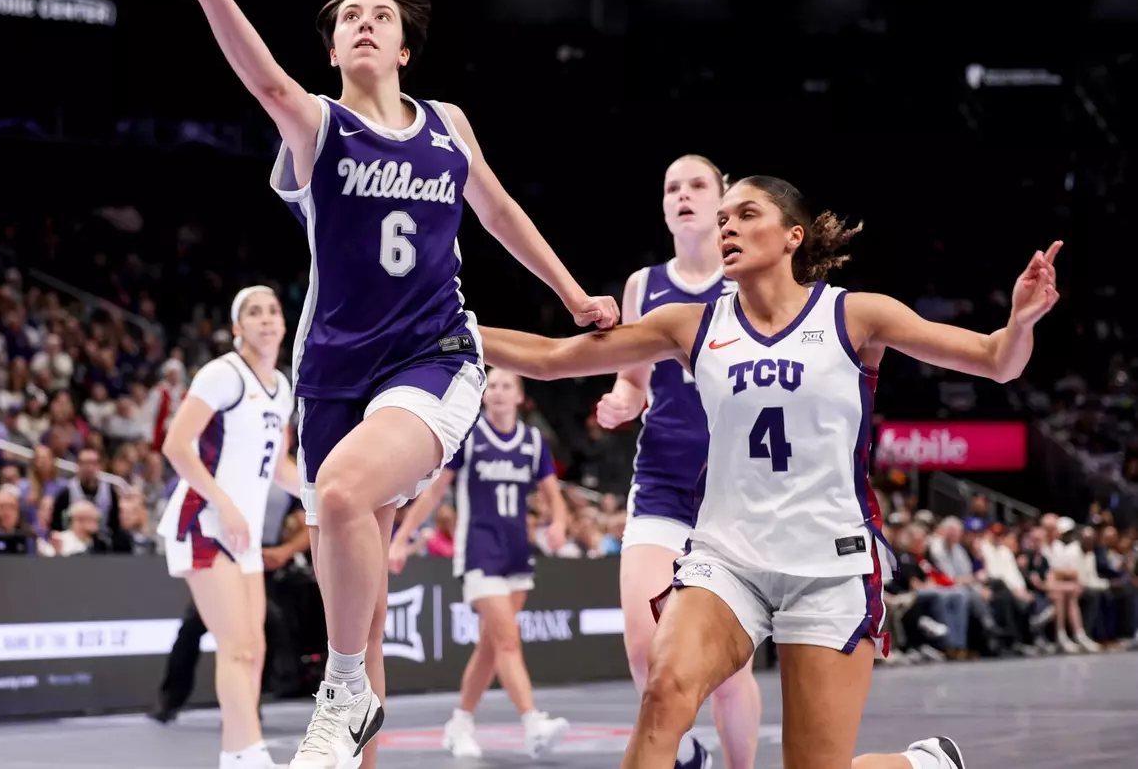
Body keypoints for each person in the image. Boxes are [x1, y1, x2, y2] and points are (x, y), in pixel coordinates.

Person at [134, 0, 616, 769]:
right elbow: (269, 83)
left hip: (430, 353)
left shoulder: (448, 125)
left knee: (348, 498)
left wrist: (574, 292)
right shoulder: (319, 126)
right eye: (349, 16)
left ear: (403, 49)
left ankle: (340, 687)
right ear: (333, 50)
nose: (364, 23)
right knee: (362, 583)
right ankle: (355, 711)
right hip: (333, 377)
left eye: (380, 17)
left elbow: (499, 212)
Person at [479, 175, 1060, 769]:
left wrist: (1020, 325)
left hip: (828, 564)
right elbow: (551, 359)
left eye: (745, 213)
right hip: (726, 558)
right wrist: (451, 330)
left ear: (791, 237)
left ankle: (924, 763)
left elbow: (996, 362)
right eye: (722, 217)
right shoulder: (692, 324)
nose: (725, 226)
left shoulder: (855, 315)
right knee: (663, 693)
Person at [593, 155, 761, 769]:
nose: (682, 195)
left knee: (726, 665)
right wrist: (619, 402)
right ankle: (689, 752)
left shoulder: (751, 280)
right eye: (672, 187)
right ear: (664, 207)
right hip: (662, 484)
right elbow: (632, 381)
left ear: (720, 203)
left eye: (696, 185)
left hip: (734, 495)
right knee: (645, 646)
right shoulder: (643, 287)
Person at [388, 367, 571, 759]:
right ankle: (533, 722)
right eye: (495, 386)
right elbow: (434, 494)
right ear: (485, 395)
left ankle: (459, 723)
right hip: (478, 552)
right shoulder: (470, 437)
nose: (501, 392)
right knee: (506, 640)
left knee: (491, 646)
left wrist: (559, 523)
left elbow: (553, 496)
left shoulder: (533, 442)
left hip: (516, 553)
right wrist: (401, 540)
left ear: (521, 396)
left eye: (509, 386)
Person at [157, 286, 299, 769]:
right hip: (204, 520)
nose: (265, 319)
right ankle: (248, 753)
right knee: (237, 647)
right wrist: (226, 504)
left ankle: (237, 753)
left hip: (245, 535)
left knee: (254, 649)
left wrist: (328, 495)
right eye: (253, 313)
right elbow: (177, 446)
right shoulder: (222, 374)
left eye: (272, 311)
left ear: (283, 323)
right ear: (238, 327)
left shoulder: (282, 388)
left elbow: (281, 467)